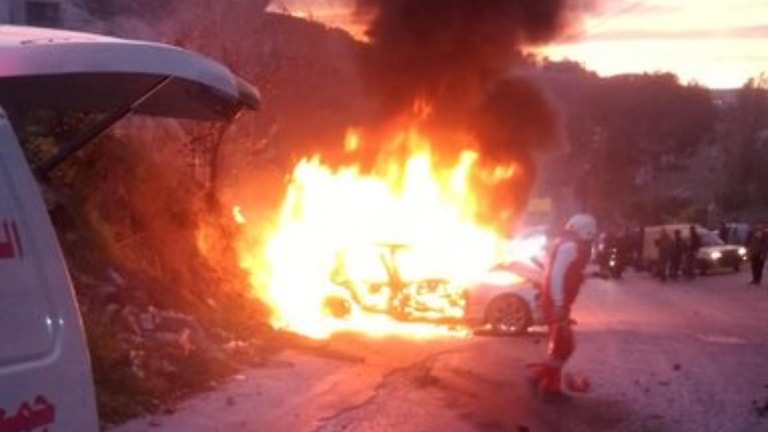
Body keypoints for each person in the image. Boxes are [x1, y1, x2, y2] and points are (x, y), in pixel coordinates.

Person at [526, 213, 597, 399]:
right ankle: (538, 378)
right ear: (586, 231)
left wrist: (585, 276)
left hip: (556, 302)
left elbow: (563, 273)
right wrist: (559, 303)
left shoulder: (565, 243)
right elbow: (557, 275)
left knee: (559, 347)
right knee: (564, 346)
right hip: (556, 304)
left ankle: (551, 387)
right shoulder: (571, 247)